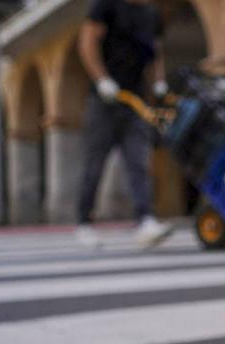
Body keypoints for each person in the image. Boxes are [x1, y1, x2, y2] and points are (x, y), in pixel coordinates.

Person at [76, 0, 173, 249]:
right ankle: (84, 224)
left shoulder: (151, 14)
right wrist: (101, 80)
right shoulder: (106, 6)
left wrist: (159, 82)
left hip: (135, 101)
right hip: (104, 101)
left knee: (139, 163)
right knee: (94, 164)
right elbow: (87, 42)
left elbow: (156, 52)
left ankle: (146, 221)